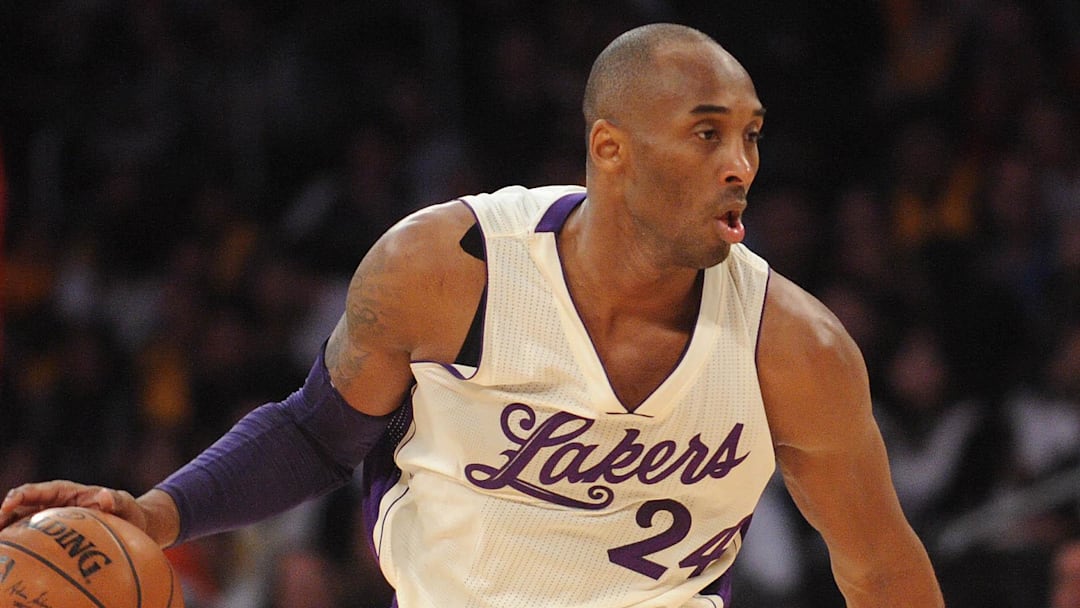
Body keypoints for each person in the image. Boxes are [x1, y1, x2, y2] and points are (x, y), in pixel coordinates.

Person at [1, 23, 943, 607]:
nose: (741, 163)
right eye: (707, 133)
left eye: (751, 136)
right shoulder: (448, 269)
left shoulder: (795, 346)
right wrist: (163, 513)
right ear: (608, 149)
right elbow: (317, 435)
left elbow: (880, 570)